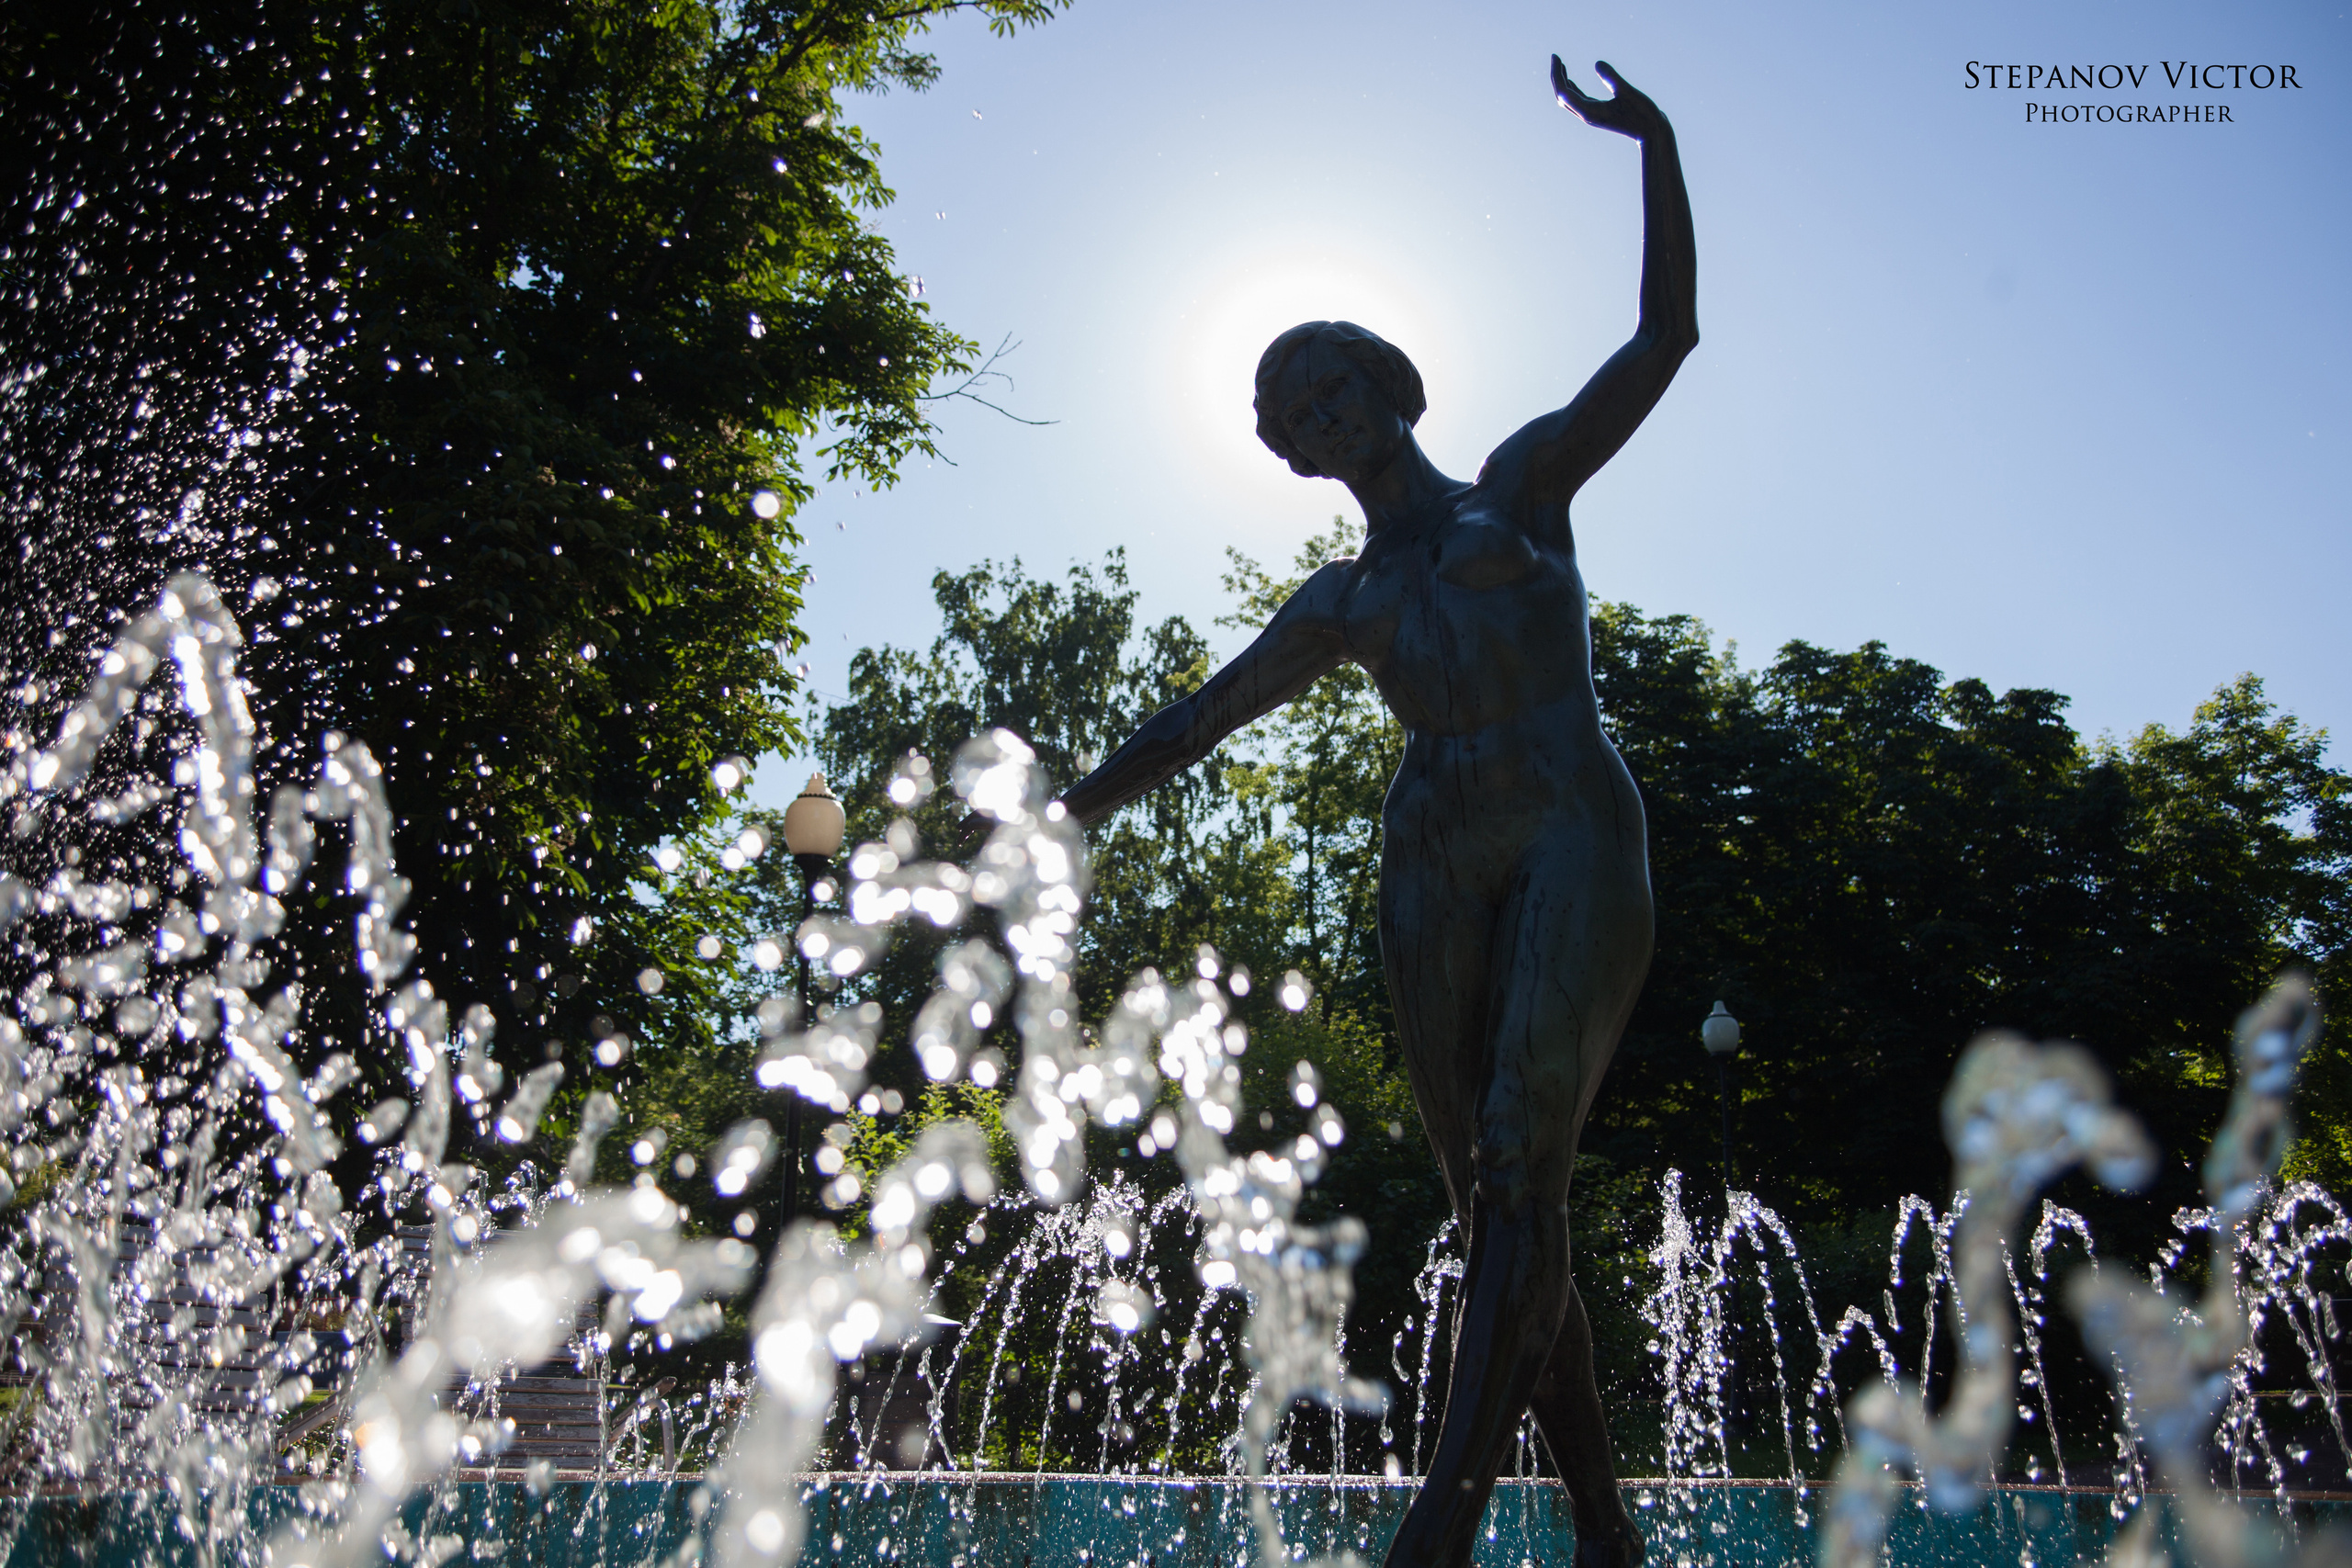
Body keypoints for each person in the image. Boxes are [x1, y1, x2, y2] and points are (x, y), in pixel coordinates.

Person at [1057, 56, 1695, 1568]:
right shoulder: (1341, 602)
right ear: (1291, 453)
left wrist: (1655, 146)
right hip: (1431, 855)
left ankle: (1439, 1534)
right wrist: (1067, 812)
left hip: (1568, 831)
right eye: (1291, 410)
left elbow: (1663, 337)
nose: (1318, 413)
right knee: (1494, 1205)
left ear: (1388, 385)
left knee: (1521, 1153)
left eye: (1332, 383)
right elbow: (1199, 718)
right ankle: (1605, 1528)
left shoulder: (1521, 491)